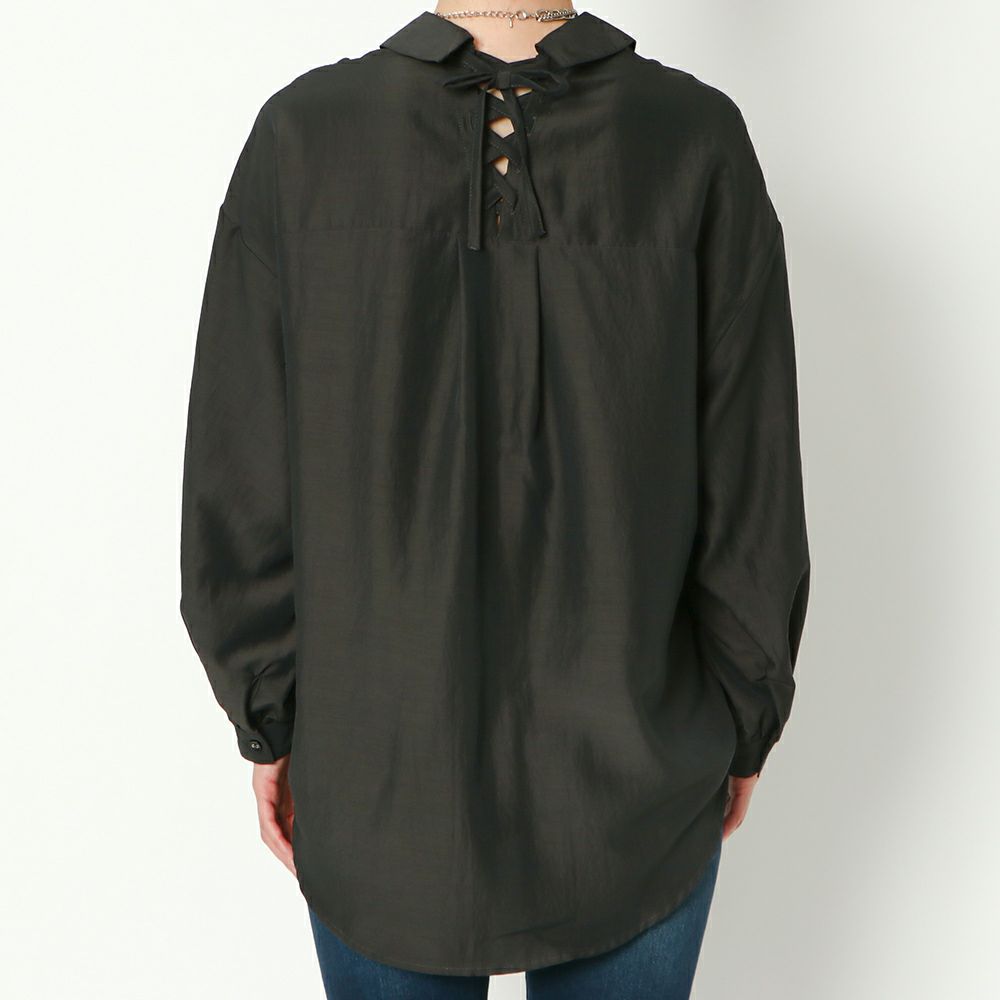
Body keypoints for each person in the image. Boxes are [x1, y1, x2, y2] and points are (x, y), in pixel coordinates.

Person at [179, 4, 811, 997]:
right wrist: (741, 711)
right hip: (636, 767)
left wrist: (272, 714)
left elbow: (241, 468)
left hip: (378, 764)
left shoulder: (304, 133)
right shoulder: (693, 135)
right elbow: (751, 478)